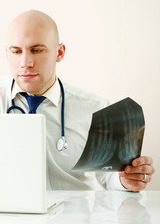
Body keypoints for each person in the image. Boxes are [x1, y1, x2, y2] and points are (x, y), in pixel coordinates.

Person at [0, 10, 155, 191]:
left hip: (74, 216)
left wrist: (127, 180)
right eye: (16, 51)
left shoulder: (96, 109)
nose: (25, 62)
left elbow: (110, 177)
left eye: (36, 50)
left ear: (59, 52)